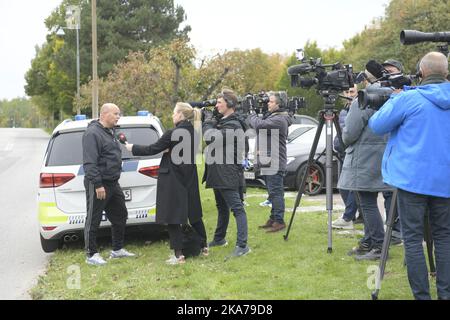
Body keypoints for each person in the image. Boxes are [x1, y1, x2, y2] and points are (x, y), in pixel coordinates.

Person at [369, 52, 450, 300]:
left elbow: (376, 125)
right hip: (446, 182)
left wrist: (395, 99)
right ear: (446, 74)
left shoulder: (408, 98)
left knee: (413, 240)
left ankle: (421, 296)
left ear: (421, 72)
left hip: (412, 181)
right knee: (444, 237)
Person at [337, 60, 405, 261]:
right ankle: (368, 241)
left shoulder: (363, 98)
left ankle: (377, 244)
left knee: (366, 202)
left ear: (367, 80)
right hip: (384, 155)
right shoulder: (392, 96)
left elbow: (350, 132)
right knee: (367, 201)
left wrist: (343, 141)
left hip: (363, 158)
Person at [126, 103, 208, 265]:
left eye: (174, 113)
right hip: (189, 176)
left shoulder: (173, 133)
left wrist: (131, 147)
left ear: (181, 115)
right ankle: (204, 246)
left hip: (173, 177)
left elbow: (152, 149)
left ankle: (178, 255)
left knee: (172, 216)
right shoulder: (195, 132)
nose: (172, 115)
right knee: (193, 212)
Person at [82, 103, 135, 266]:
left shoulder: (110, 131)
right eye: (116, 113)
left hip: (113, 182)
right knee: (94, 219)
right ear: (104, 114)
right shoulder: (92, 134)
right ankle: (91, 254)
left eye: (119, 114)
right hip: (98, 183)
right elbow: (90, 163)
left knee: (120, 215)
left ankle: (117, 250)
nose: (118, 116)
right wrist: (98, 185)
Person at [203, 89, 250, 259]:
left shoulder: (234, 124)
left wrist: (208, 122)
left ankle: (242, 245)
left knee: (237, 208)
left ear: (229, 104)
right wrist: (210, 119)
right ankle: (219, 239)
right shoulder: (225, 121)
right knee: (222, 207)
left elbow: (210, 138)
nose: (216, 105)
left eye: (219, 102)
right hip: (219, 171)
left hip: (227, 172)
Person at [247, 91, 293, 232]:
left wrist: (251, 112)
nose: (268, 103)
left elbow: (259, 125)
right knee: (272, 192)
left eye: (271, 101)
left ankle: (279, 221)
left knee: (276, 192)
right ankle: (273, 218)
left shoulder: (279, 119)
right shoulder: (274, 117)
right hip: (269, 161)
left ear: (279, 105)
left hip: (275, 162)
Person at [332, 85, 362, 229]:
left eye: (352, 92)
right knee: (343, 186)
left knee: (351, 187)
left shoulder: (360, 109)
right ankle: (358, 214)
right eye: (347, 92)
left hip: (353, 152)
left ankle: (348, 217)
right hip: (342, 152)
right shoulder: (344, 111)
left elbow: (349, 132)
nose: (349, 95)